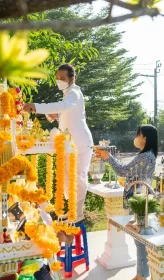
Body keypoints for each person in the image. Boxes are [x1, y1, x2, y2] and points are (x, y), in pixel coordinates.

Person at [23, 64, 93, 223]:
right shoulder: (67, 93)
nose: (59, 81)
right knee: (69, 177)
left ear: (72, 79)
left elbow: (65, 106)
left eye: (63, 78)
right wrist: (57, 115)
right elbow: (67, 111)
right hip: (68, 145)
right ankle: (71, 210)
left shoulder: (74, 92)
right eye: (57, 78)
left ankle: (79, 213)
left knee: (79, 178)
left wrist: (37, 107)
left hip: (81, 143)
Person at [95, 125, 158, 280]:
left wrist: (108, 157)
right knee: (138, 237)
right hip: (138, 198)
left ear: (145, 138)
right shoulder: (145, 155)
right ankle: (140, 273)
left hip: (140, 199)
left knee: (140, 237)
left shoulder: (146, 156)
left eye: (139, 134)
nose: (136, 137)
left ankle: (143, 275)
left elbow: (122, 171)